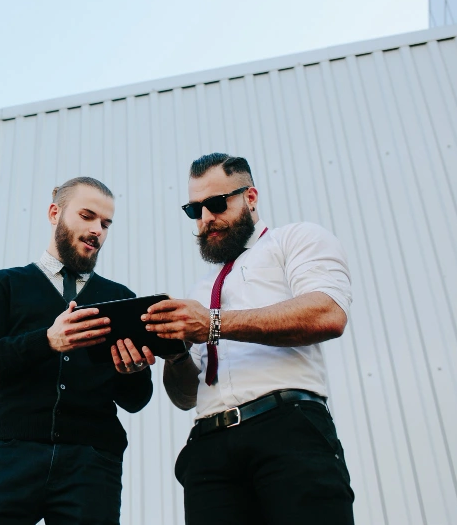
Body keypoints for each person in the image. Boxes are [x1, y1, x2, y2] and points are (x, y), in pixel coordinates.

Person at [144, 153, 355, 525]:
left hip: (287, 431)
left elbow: (327, 313)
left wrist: (211, 323)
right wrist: (175, 355)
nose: (206, 218)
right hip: (208, 449)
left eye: (216, 203)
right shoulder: (201, 289)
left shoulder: (295, 240)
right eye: (195, 210)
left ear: (251, 197)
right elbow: (185, 398)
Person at [0, 177, 155, 525]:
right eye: (87, 216)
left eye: (105, 224)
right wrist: (47, 340)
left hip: (91, 464)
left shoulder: (121, 297)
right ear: (54, 213)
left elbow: (136, 400)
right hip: (9, 455)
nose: (98, 230)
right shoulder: (5, 284)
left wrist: (132, 371)